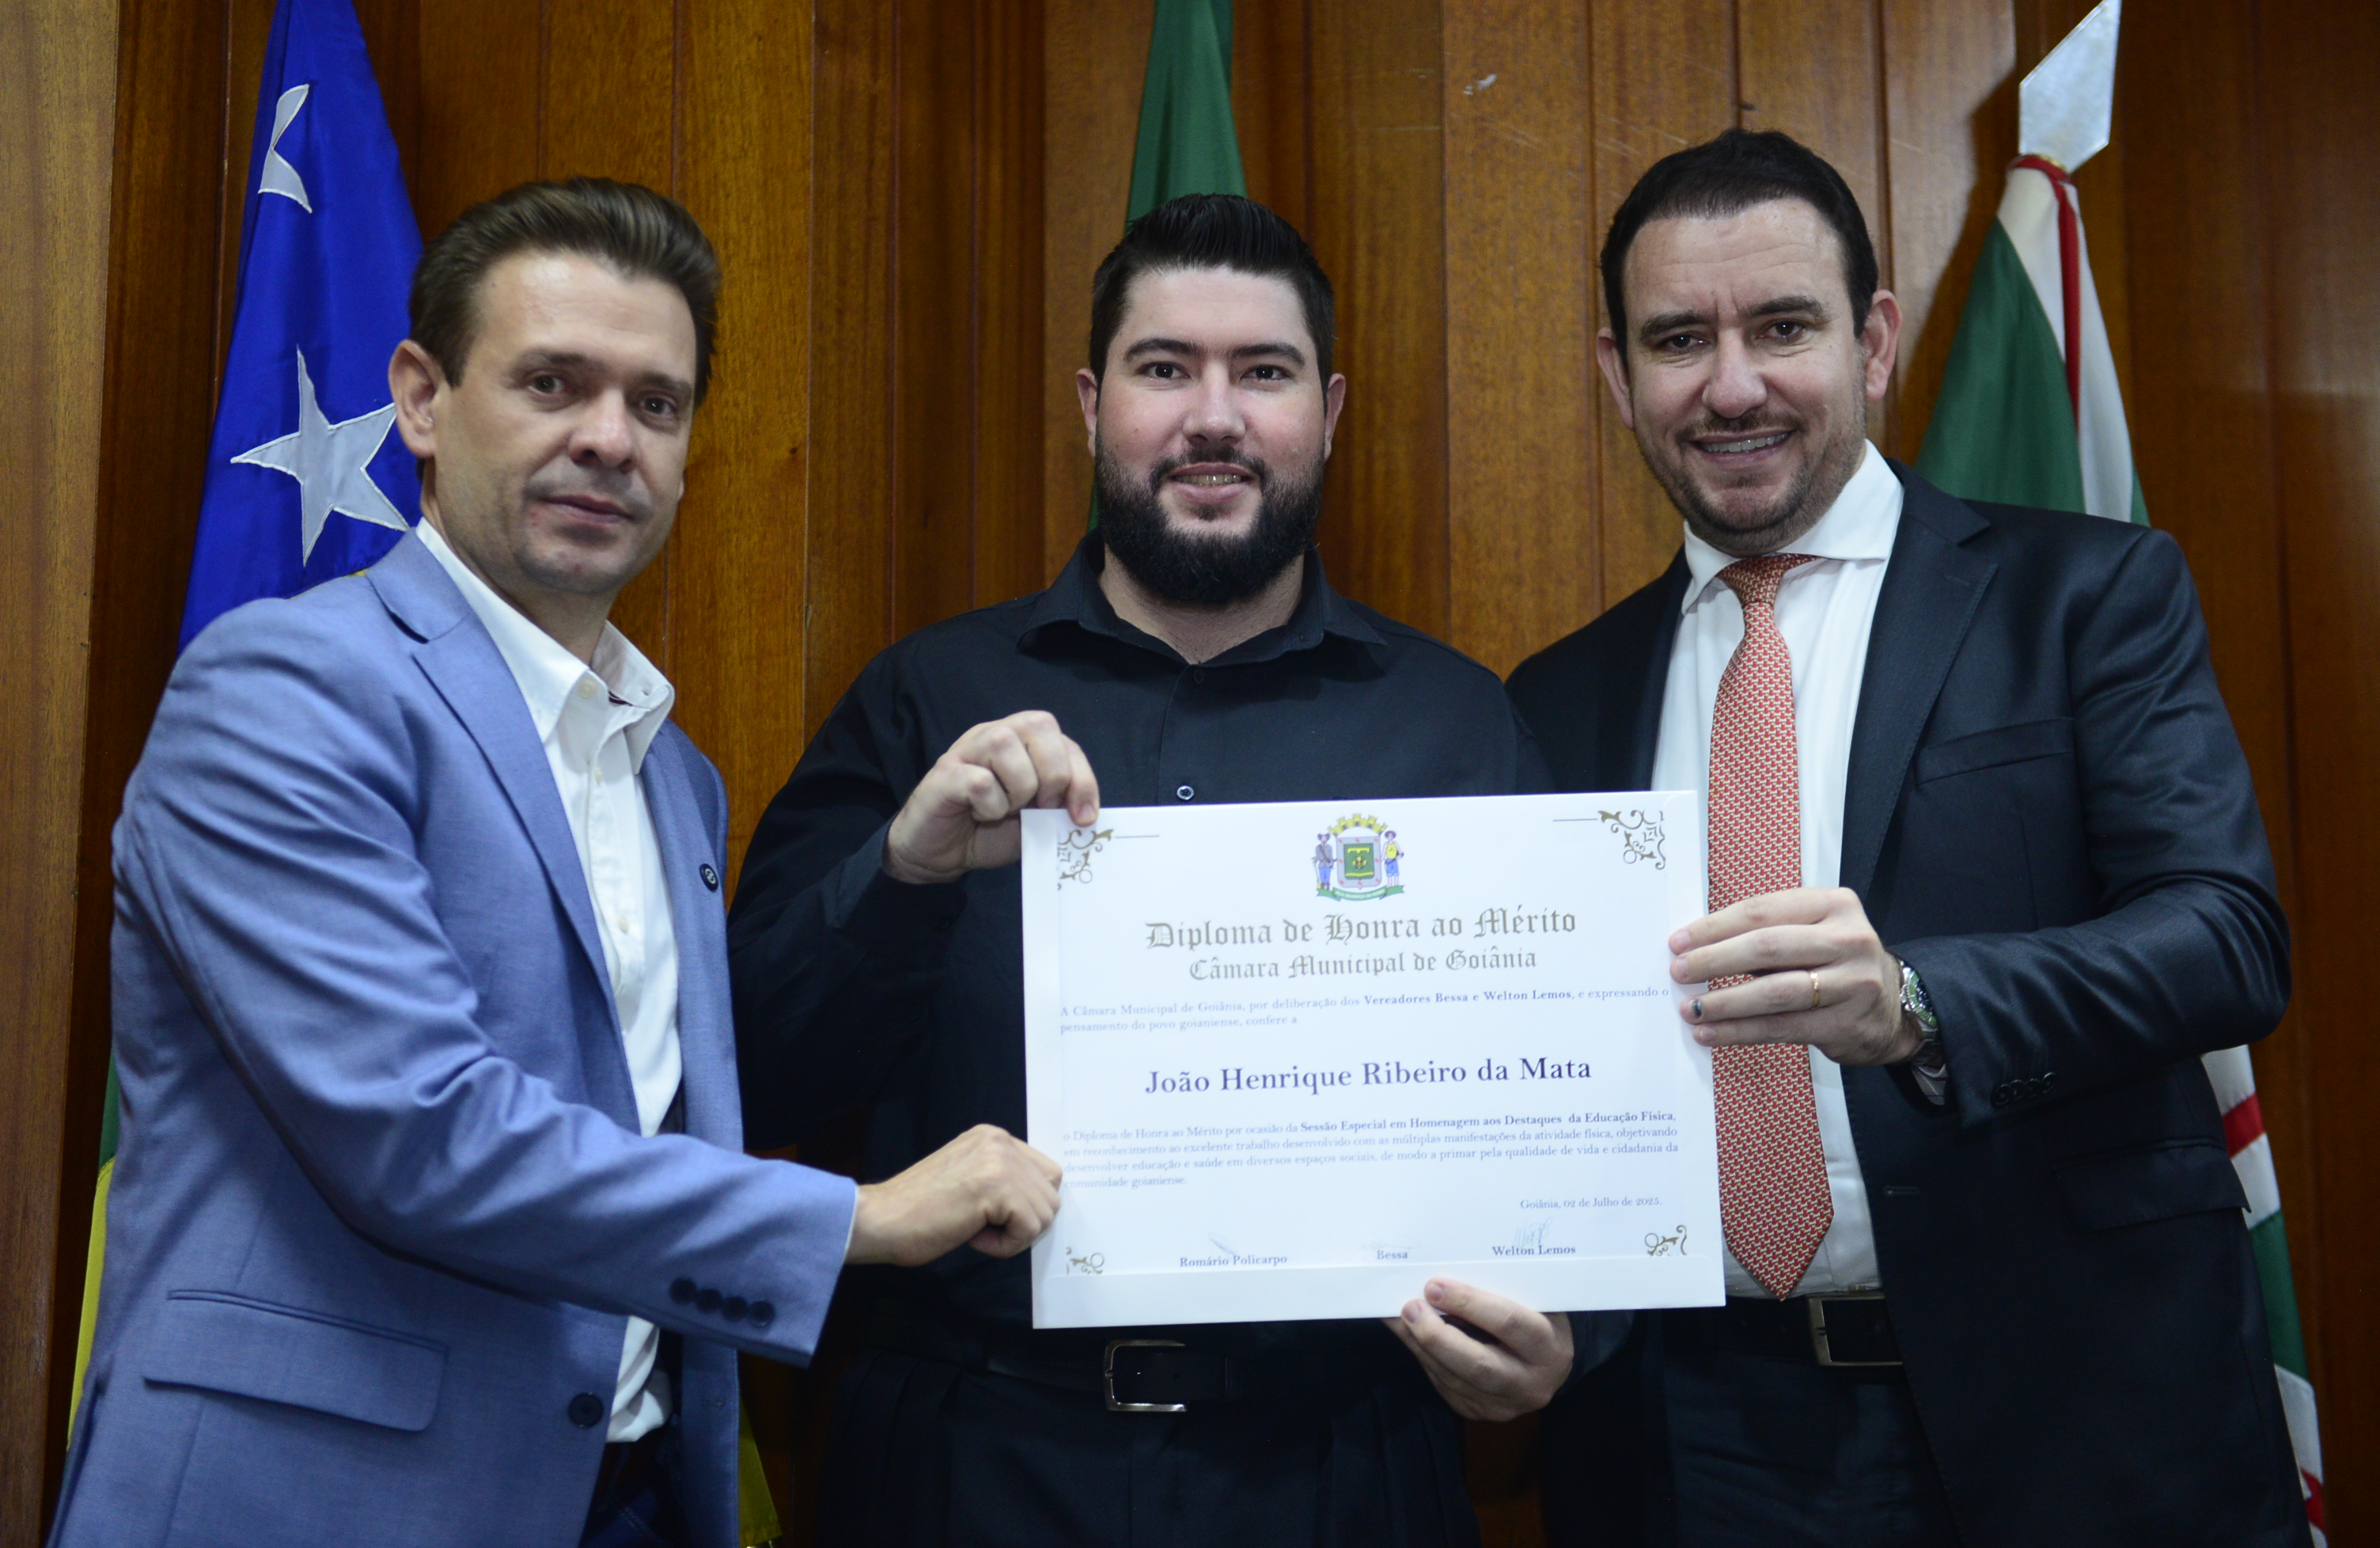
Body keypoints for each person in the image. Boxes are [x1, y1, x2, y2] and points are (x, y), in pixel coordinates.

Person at [51, 179, 1062, 1548]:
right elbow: (421, 1133)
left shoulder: (674, 776)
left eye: (657, 403)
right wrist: (861, 1219)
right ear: (421, 400)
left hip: (628, 1494)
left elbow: (664, 1121)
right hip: (322, 1502)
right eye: (552, 383)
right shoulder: (285, 690)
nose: (609, 439)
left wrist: (904, 876)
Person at [730, 193, 1581, 1546]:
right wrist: (900, 875)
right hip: (967, 1461)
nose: (1214, 418)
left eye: (1265, 372)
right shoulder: (927, 699)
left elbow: (1557, 1095)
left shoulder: (1458, 726)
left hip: (1339, 1469)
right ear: (1092, 406)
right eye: (1165, 367)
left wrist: (1552, 1328)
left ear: (1329, 413)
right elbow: (760, 1075)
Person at [1507, 129, 2306, 1547]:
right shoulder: (1556, 698)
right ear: (1618, 377)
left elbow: (2227, 937)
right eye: (1681, 340)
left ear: (1873, 343)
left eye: (1784, 328)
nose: (1733, 385)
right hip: (1696, 1434)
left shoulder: (2086, 596)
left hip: (2074, 1402)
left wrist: (1920, 1001)